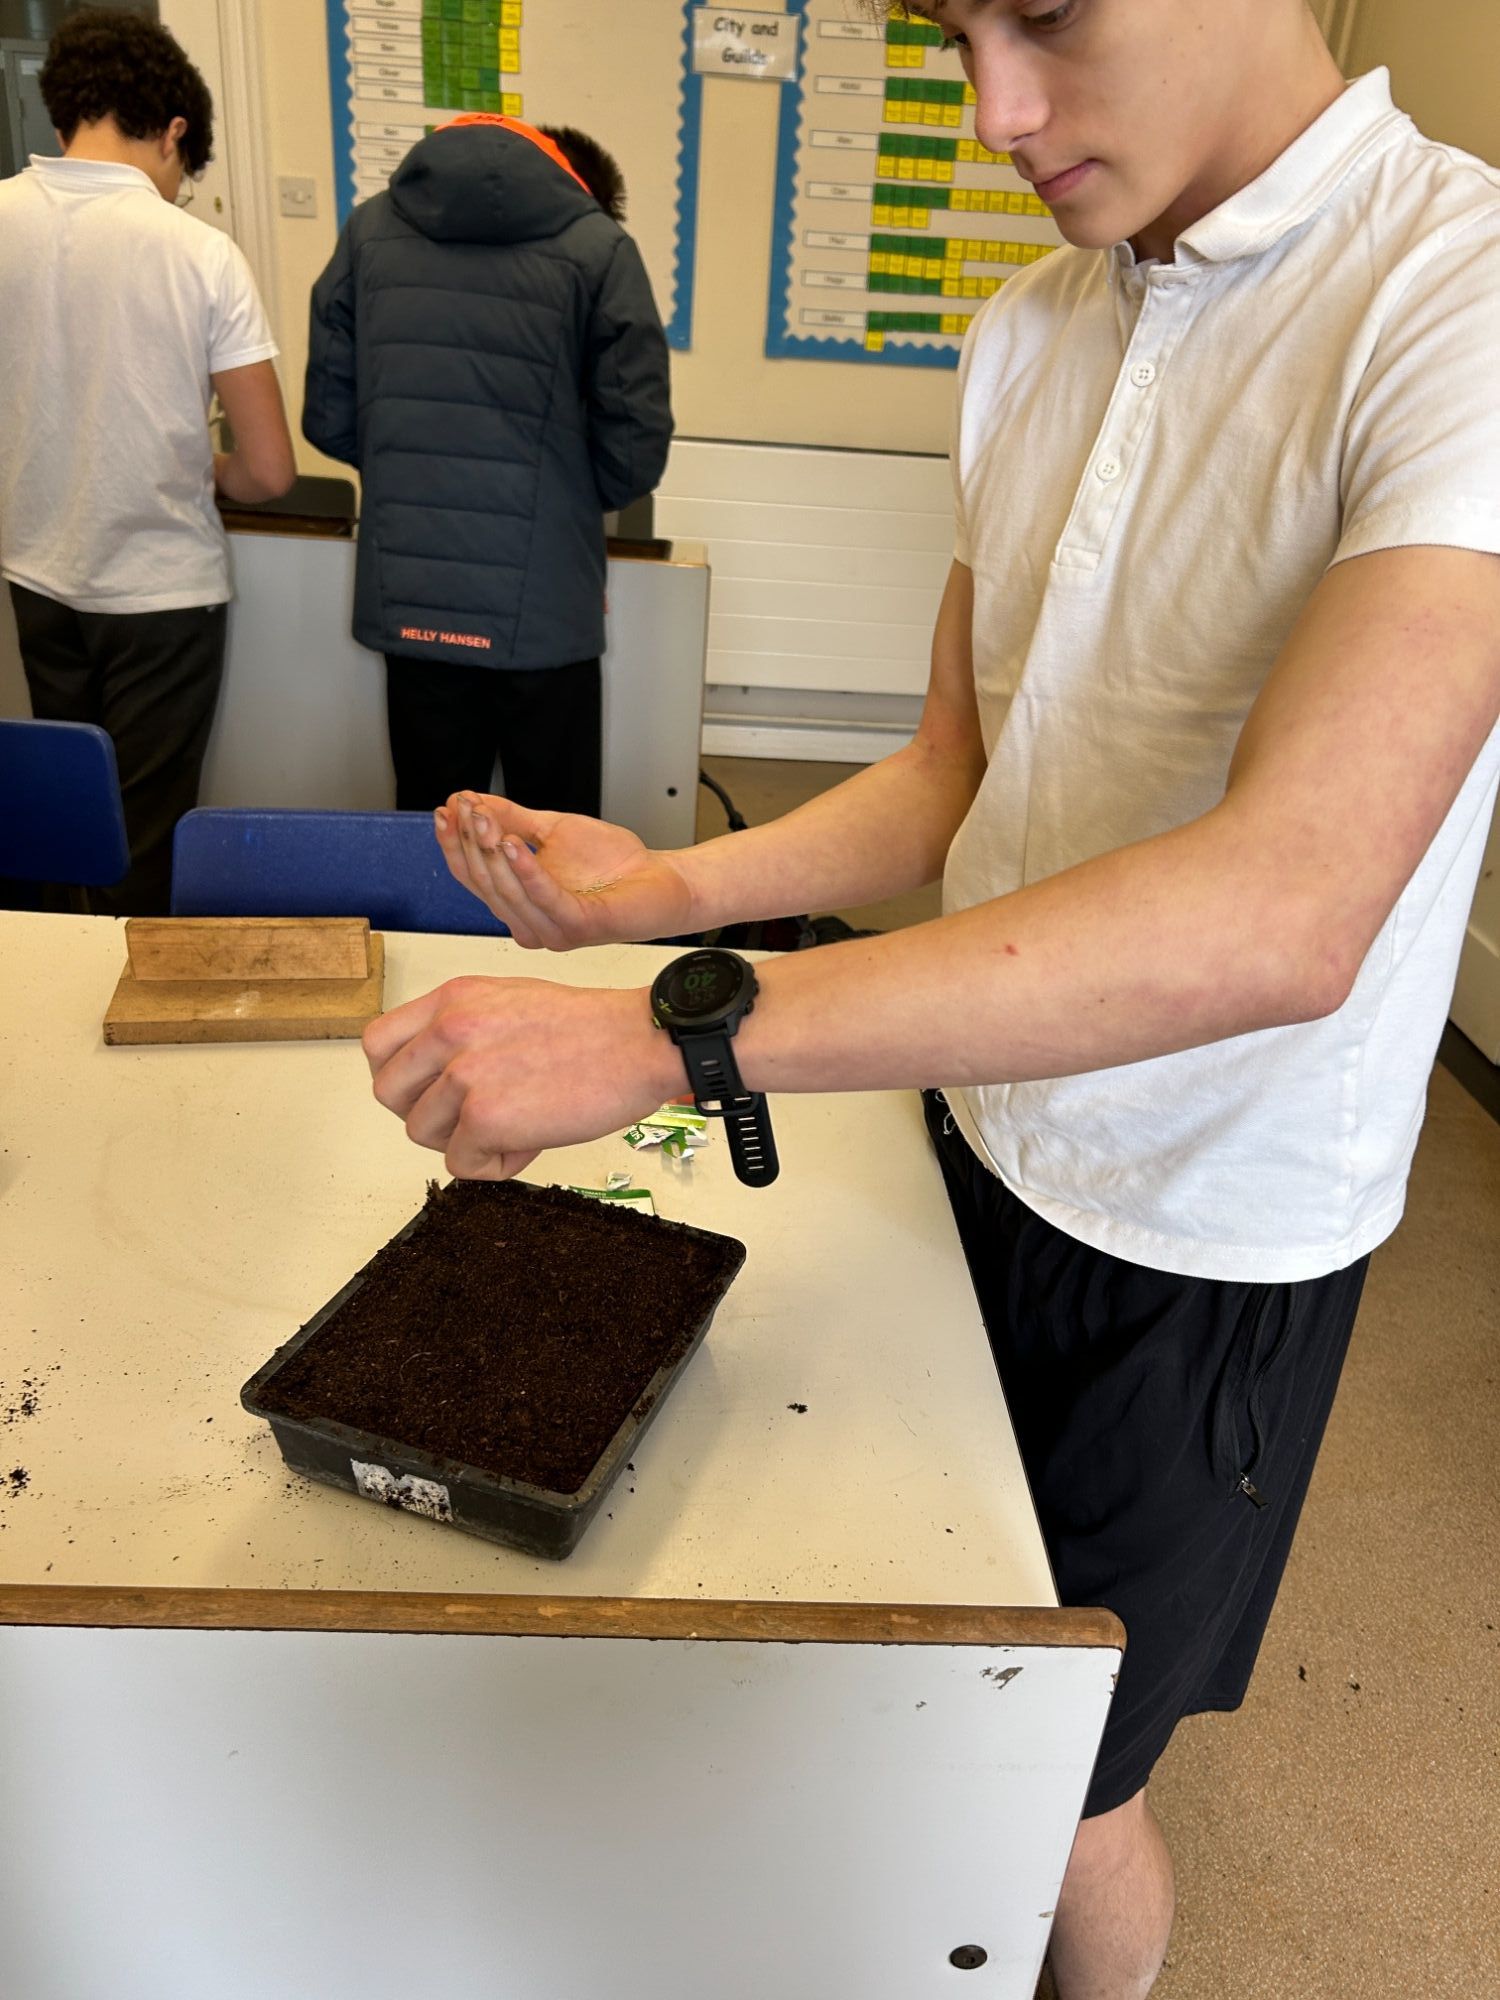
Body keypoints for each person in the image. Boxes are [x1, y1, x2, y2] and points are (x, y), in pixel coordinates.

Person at [360, 3, 1500, 1994]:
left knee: (1054, 1779)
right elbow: (958, 777)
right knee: (905, 1662)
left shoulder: (1457, 294)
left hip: (1203, 1231)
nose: (995, 111)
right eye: (952, 30)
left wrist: (668, 1041)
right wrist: (665, 891)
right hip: (968, 1130)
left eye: (1045, 14)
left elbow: (1289, 910)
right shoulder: (1035, 330)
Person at [0, 6, 295, 917]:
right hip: (161, 593)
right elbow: (269, 471)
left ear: (64, 119)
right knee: (146, 832)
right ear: (173, 131)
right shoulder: (200, 254)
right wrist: (201, 463)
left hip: (37, 578)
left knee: (64, 813)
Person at [303, 114, 673, 819]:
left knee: (434, 828)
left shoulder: (370, 233)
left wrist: (408, 472)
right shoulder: (600, 247)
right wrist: (567, 493)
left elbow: (328, 415)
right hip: (546, 606)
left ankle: (432, 934)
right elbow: (634, 447)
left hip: (414, 593)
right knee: (556, 837)